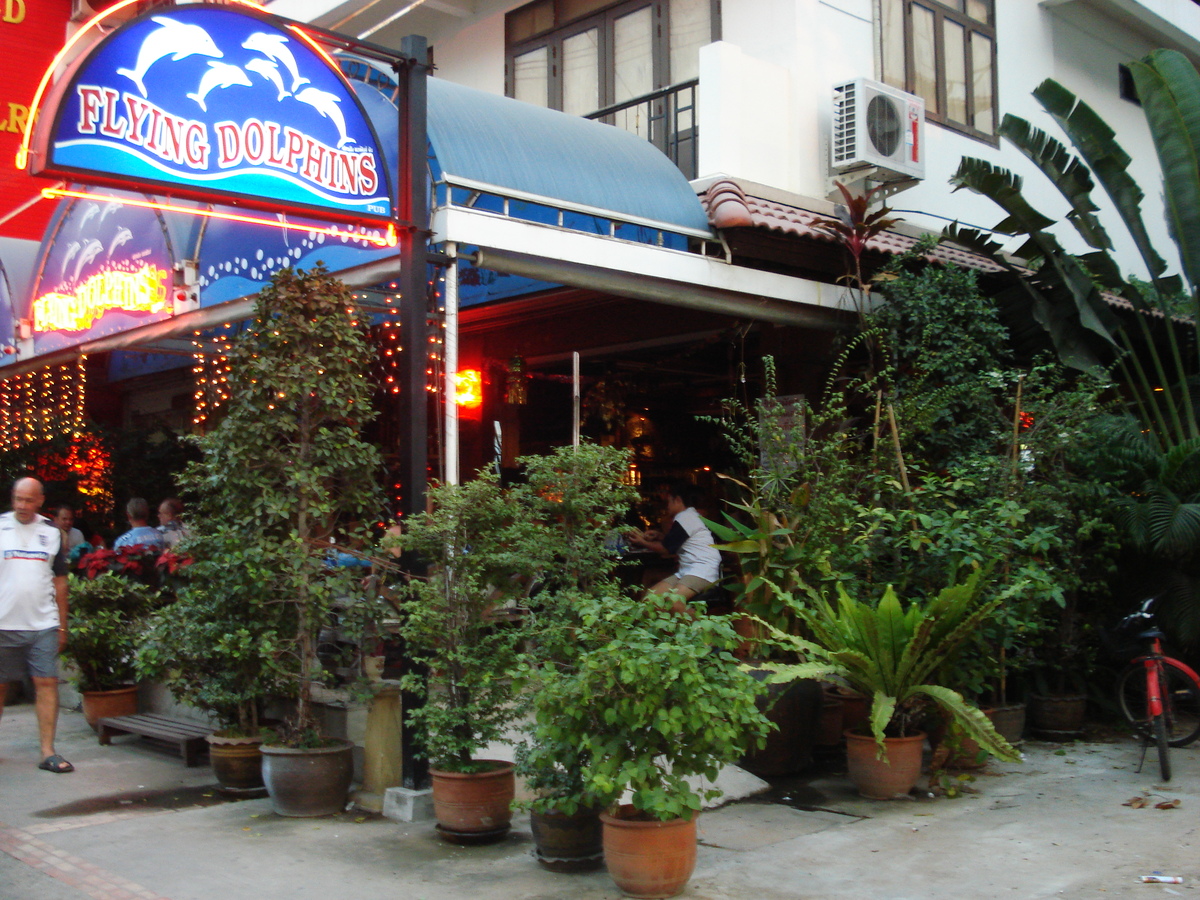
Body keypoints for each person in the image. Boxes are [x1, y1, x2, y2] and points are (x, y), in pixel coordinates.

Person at [0, 477, 73, 773]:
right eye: (18, 498)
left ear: (41, 500)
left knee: (47, 683)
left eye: (29, 500)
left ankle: (48, 752)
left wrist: (62, 626)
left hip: (43, 623)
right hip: (3, 623)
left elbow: (61, 583)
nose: (22, 505)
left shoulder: (51, 532)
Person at [627, 481, 721, 610]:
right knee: (651, 599)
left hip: (702, 570)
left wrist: (642, 542)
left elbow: (666, 550)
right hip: (688, 570)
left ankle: (701, 628)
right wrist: (659, 536)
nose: (667, 507)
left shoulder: (685, 517)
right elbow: (675, 541)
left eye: (669, 502)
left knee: (674, 602)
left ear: (677, 500)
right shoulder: (689, 516)